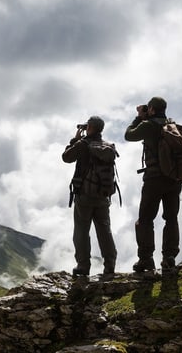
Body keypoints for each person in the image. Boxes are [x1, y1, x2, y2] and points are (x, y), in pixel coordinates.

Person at [124, 97, 182, 272]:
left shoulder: (148, 125)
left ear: (152, 110)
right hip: (174, 179)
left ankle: (146, 259)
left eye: (148, 109)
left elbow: (129, 135)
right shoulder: (173, 126)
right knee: (171, 218)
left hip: (154, 179)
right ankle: (169, 257)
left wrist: (139, 117)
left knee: (145, 220)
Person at [62, 116, 118, 276]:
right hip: (103, 196)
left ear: (90, 128)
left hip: (85, 196)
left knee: (81, 231)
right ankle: (110, 264)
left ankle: (83, 266)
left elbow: (66, 157)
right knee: (104, 230)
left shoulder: (83, 144)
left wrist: (75, 140)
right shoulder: (107, 147)